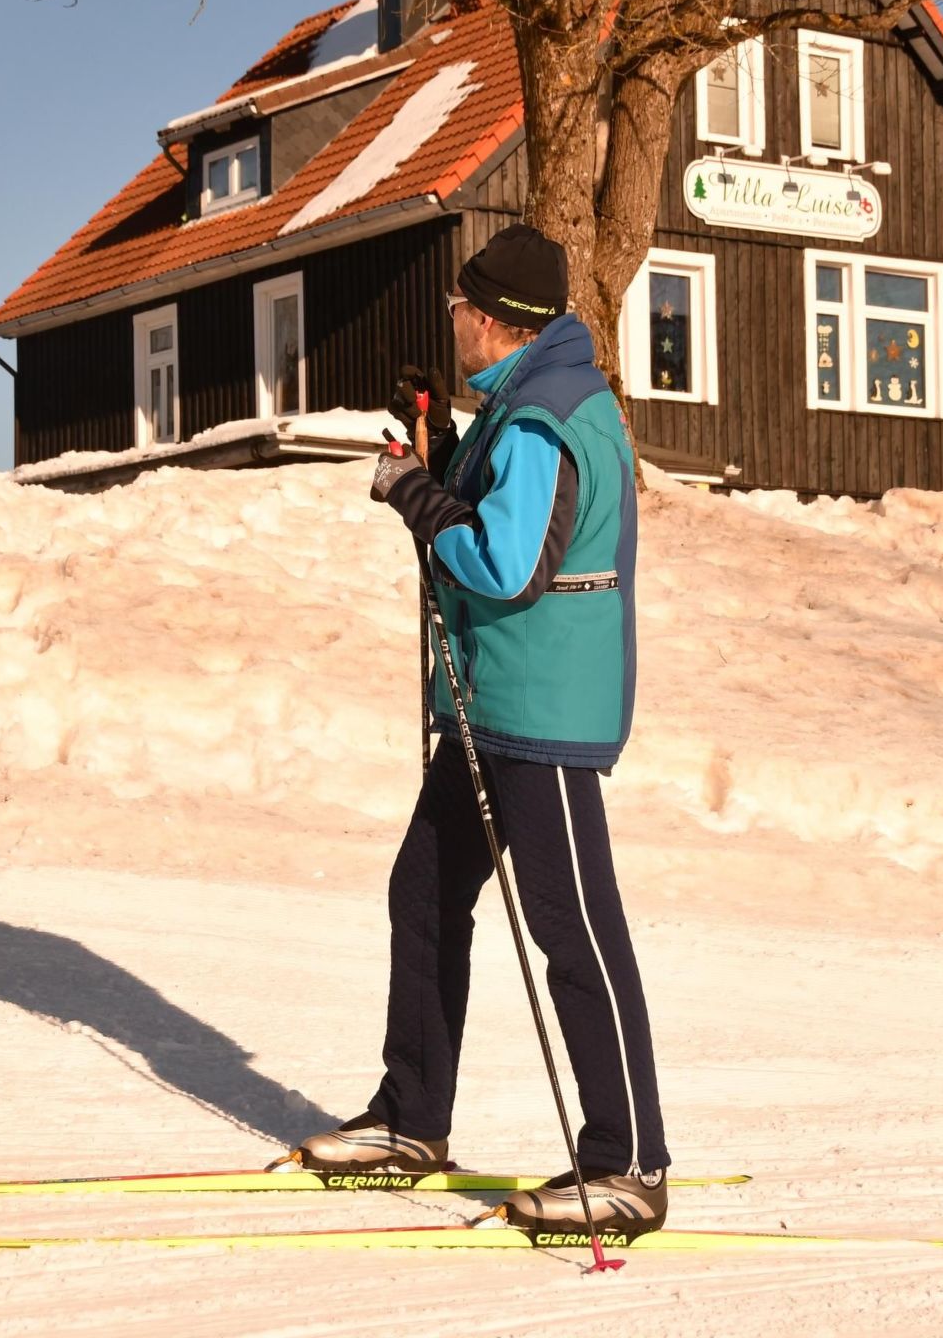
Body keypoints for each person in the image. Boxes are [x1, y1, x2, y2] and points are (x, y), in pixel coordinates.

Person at [295, 224, 670, 1236]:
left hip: (540, 710)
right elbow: (506, 509)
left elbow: (507, 567)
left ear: (496, 318)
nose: (452, 318)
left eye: (460, 305)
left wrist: (413, 494)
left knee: (574, 929)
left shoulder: (547, 415)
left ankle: (629, 1163)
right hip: (492, 702)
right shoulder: (521, 398)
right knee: (423, 892)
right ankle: (412, 1120)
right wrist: (445, 454)